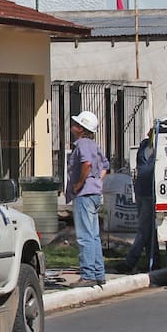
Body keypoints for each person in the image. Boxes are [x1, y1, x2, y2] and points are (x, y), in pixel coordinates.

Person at [65, 110, 109, 287]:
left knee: (84, 236)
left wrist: (79, 184)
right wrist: (97, 181)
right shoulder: (93, 144)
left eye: (76, 124)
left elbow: (87, 164)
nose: (73, 126)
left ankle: (88, 274)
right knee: (94, 236)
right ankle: (99, 273)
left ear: (81, 128)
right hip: (95, 193)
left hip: (84, 194)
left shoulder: (82, 144)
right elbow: (105, 166)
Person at [120, 129, 157, 273]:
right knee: (148, 229)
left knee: (143, 228)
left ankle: (130, 261)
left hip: (151, 193)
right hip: (140, 190)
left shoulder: (162, 149)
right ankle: (153, 261)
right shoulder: (143, 146)